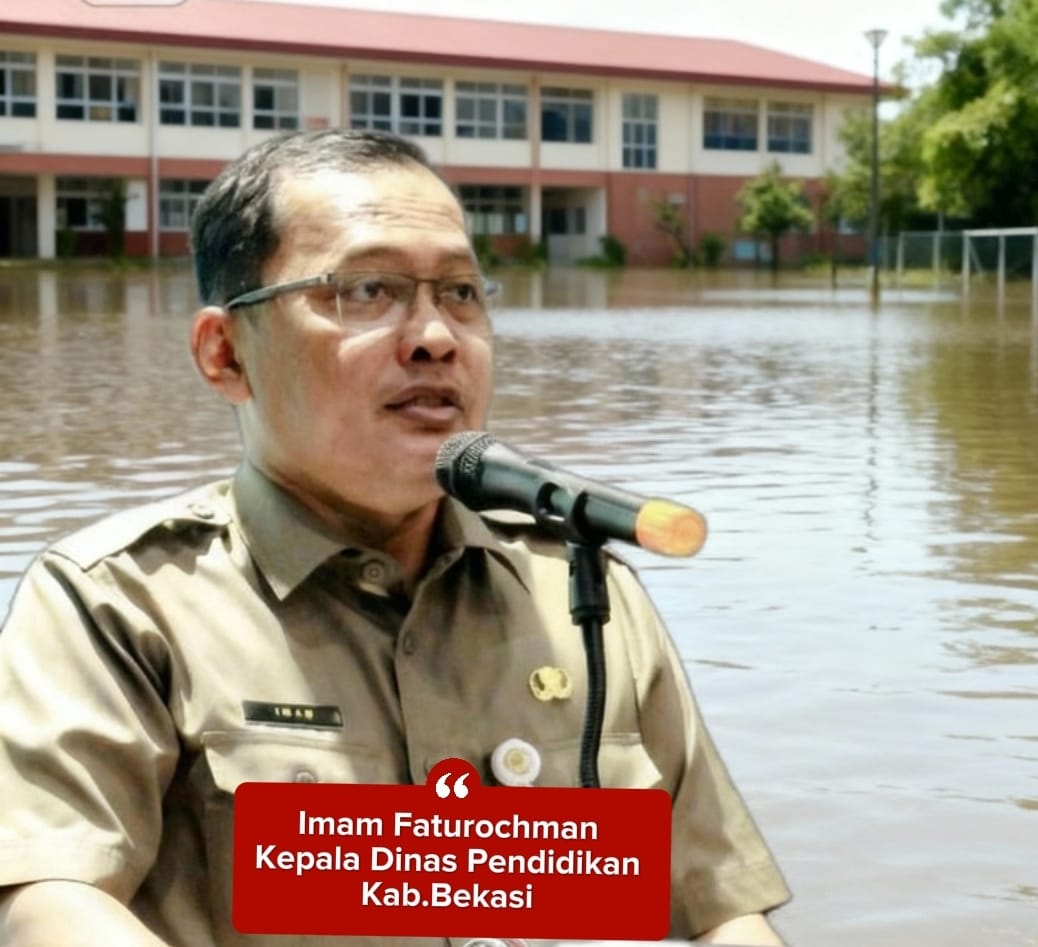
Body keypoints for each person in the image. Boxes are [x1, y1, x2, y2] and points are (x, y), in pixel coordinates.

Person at [0, 128, 790, 946]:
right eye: (368, 289)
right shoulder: (121, 603)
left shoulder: (582, 593)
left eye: (461, 292)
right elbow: (49, 900)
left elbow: (720, 912)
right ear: (226, 353)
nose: (435, 336)